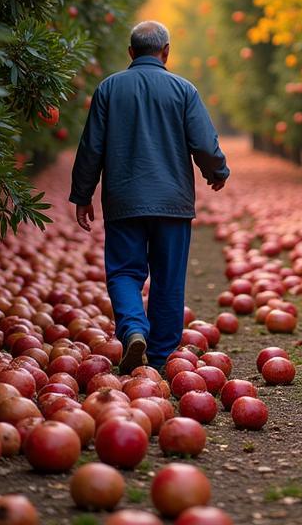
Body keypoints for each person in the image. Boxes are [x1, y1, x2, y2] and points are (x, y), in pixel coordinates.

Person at [70, 20, 229, 373]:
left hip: (124, 201)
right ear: (166, 52)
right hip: (172, 203)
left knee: (124, 272)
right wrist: (216, 171)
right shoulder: (183, 89)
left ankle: (133, 329)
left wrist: (83, 193)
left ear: (131, 53)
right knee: (168, 279)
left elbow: (91, 146)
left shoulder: (109, 89)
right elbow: (203, 142)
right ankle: (159, 360)